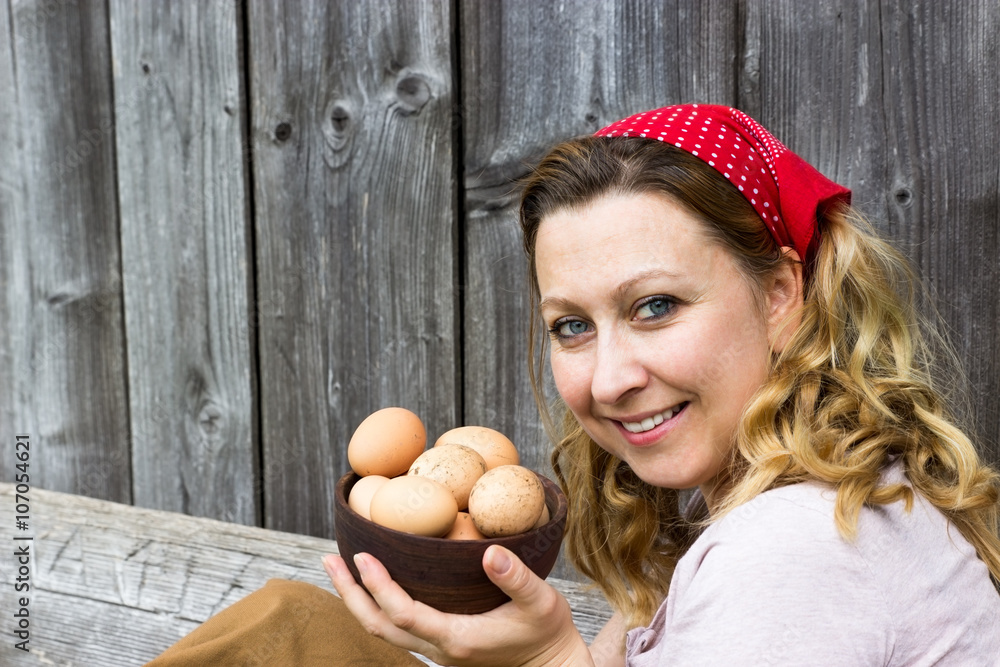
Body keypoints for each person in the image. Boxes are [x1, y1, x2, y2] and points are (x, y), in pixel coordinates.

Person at [148, 104, 1000, 666]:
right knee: (294, 625)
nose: (610, 376)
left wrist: (553, 657)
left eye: (656, 305)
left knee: (289, 640)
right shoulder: (807, 507)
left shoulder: (796, 550)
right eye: (572, 326)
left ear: (779, 296)